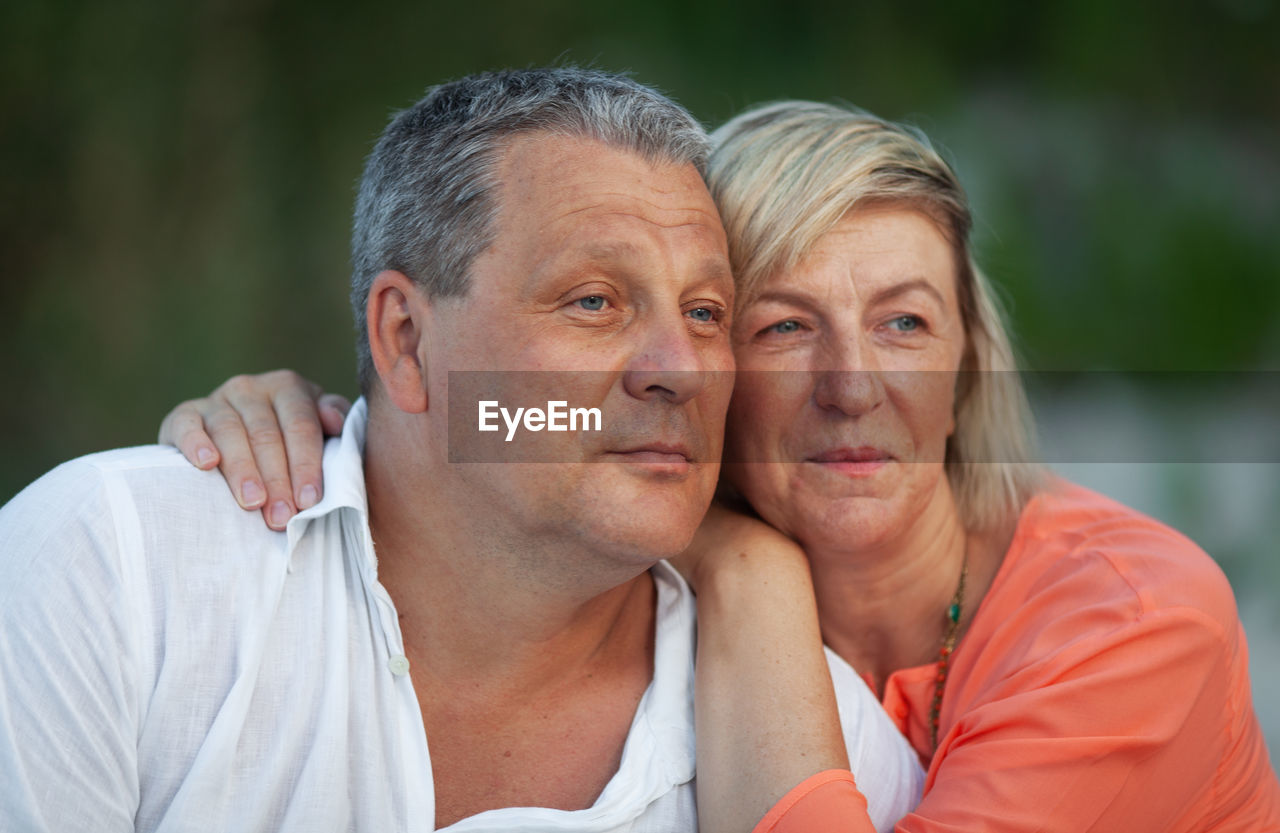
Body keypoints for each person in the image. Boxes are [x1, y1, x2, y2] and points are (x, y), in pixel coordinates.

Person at [171, 99, 1280, 831]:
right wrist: (338, 420)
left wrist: (747, 572)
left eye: (902, 324)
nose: (853, 385)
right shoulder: (632, 582)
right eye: (782, 327)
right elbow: (488, 435)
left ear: (967, 366)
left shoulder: (1132, 622)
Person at [0, 70, 925, 832]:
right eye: (594, 300)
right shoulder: (117, 576)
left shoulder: (827, 748)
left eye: (706, 312)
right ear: (406, 340)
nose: (678, 368)